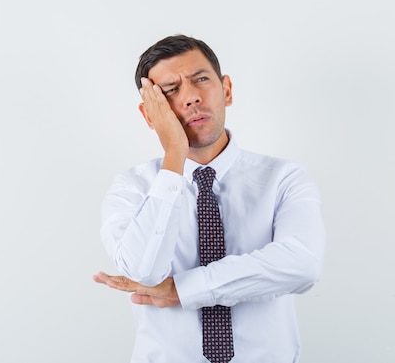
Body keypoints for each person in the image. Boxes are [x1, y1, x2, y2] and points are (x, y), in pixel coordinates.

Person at [93, 34, 326, 363]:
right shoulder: (132, 187)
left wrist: (182, 289)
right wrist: (175, 154)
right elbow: (144, 274)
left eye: (201, 80)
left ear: (226, 90)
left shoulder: (283, 179)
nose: (190, 98)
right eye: (170, 91)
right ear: (150, 116)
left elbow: (301, 264)